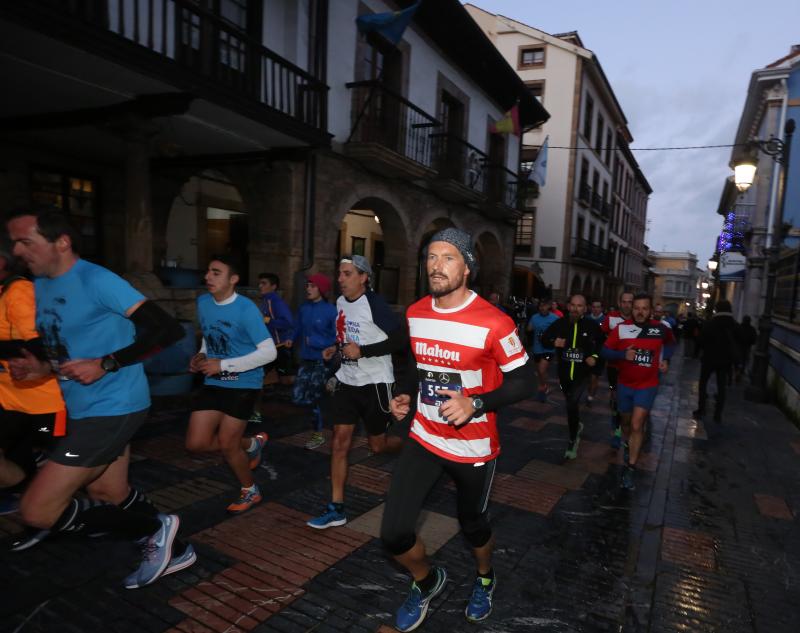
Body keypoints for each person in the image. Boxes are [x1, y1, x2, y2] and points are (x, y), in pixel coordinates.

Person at [6, 208, 194, 588]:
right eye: (13, 242)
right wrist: (44, 370)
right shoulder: (41, 284)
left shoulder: (97, 280)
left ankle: (155, 531)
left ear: (61, 242)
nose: (17, 251)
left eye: (26, 241)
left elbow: (166, 329)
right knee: (107, 491)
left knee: (39, 510)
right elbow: (69, 345)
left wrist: (107, 364)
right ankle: (172, 546)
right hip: (81, 405)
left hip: (115, 405)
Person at [381, 228, 533, 630]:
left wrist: (476, 403)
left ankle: (485, 577)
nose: (436, 265)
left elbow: (526, 381)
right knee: (394, 533)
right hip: (425, 436)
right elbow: (417, 366)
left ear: (467, 268)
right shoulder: (415, 313)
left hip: (473, 446)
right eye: (431, 257)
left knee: (472, 524)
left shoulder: (494, 323)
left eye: (447, 257)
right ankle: (427, 580)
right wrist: (405, 395)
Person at [306, 254, 405, 529]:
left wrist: (364, 351)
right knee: (339, 442)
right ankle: (336, 507)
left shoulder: (375, 304)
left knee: (378, 446)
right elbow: (348, 337)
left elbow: (400, 340)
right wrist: (336, 349)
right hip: (347, 381)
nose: (340, 279)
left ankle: (412, 446)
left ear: (363, 277)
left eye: (347, 274)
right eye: (340, 273)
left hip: (375, 382)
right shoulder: (339, 302)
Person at [186, 255, 277, 514]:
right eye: (208, 271)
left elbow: (269, 353)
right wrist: (202, 356)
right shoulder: (204, 302)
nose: (208, 277)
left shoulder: (246, 309)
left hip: (244, 383)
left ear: (233, 279)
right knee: (195, 443)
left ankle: (250, 490)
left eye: (216, 272)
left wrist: (223, 365)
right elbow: (210, 338)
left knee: (227, 443)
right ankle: (251, 444)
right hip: (213, 381)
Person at [0, 241, 65, 515]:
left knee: (66, 461)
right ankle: (25, 494)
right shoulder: (5, 292)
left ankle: (57, 510)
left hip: (44, 406)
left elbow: (42, 347)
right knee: (21, 453)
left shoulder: (19, 292)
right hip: (12, 400)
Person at [602, 293, 675, 490]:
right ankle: (628, 444)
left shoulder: (660, 329)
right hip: (625, 385)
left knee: (637, 424)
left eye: (644, 308)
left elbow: (670, 343)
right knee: (626, 424)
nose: (640, 312)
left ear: (650, 310)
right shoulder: (621, 329)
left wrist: (666, 359)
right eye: (636, 308)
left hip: (647, 385)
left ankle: (630, 468)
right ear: (631, 309)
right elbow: (605, 351)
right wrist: (622, 354)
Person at [541, 294, 602, 459]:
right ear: (568, 307)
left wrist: (594, 357)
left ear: (585, 308)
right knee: (571, 406)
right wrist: (554, 343)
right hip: (564, 374)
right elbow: (544, 338)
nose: (575, 309)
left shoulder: (591, 325)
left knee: (572, 402)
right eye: (573, 305)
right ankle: (576, 426)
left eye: (579, 306)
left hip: (582, 374)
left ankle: (572, 439)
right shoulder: (560, 323)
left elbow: (602, 344)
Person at [292, 273, 337, 450]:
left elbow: (337, 338)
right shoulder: (304, 308)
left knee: (316, 397)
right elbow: (297, 327)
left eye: (312, 286)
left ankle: (318, 433)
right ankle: (330, 400)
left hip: (322, 361)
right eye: (307, 286)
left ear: (322, 290)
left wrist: (318, 343)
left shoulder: (331, 311)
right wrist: (290, 338)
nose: (308, 289)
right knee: (298, 396)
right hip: (306, 359)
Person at [250, 272, 295, 422]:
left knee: (287, 381)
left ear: (273, 286)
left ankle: (309, 391)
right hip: (267, 349)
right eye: (260, 283)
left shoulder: (276, 302)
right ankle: (255, 413)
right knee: (256, 378)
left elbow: (288, 322)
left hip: (279, 347)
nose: (260, 286)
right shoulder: (264, 301)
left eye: (264, 283)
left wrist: (268, 320)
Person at [692, 300, 738, 423]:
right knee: (721, 386)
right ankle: (718, 414)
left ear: (717, 309)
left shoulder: (710, 324)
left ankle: (701, 409)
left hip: (709, 359)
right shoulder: (734, 325)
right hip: (725, 361)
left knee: (703, 384)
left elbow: (701, 341)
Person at [601, 291, 634, 448]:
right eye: (624, 302)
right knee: (615, 398)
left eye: (630, 302)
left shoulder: (638, 321)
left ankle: (621, 430)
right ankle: (616, 424)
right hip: (614, 366)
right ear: (620, 303)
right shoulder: (611, 318)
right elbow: (602, 338)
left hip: (631, 368)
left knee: (626, 401)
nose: (627, 305)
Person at [527, 299, 559, 402]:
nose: (543, 308)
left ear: (549, 306)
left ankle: (543, 387)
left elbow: (561, 331)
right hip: (537, 348)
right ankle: (543, 385)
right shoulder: (535, 317)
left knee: (541, 369)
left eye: (545, 306)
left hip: (549, 348)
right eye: (541, 306)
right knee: (540, 371)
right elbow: (529, 329)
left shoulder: (555, 318)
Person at [585, 299, 606, 405]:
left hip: (599, 353)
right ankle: (589, 391)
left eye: (598, 307)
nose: (596, 309)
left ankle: (590, 397)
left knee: (594, 376)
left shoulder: (606, 320)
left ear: (601, 308)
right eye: (594, 307)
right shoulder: (586, 319)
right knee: (588, 377)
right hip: (587, 352)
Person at [733, 315, 757, 383]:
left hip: (738, 347)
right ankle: (740, 372)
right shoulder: (752, 329)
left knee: (737, 361)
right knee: (744, 361)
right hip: (746, 347)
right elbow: (754, 340)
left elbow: (734, 336)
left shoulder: (738, 327)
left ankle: (737, 372)